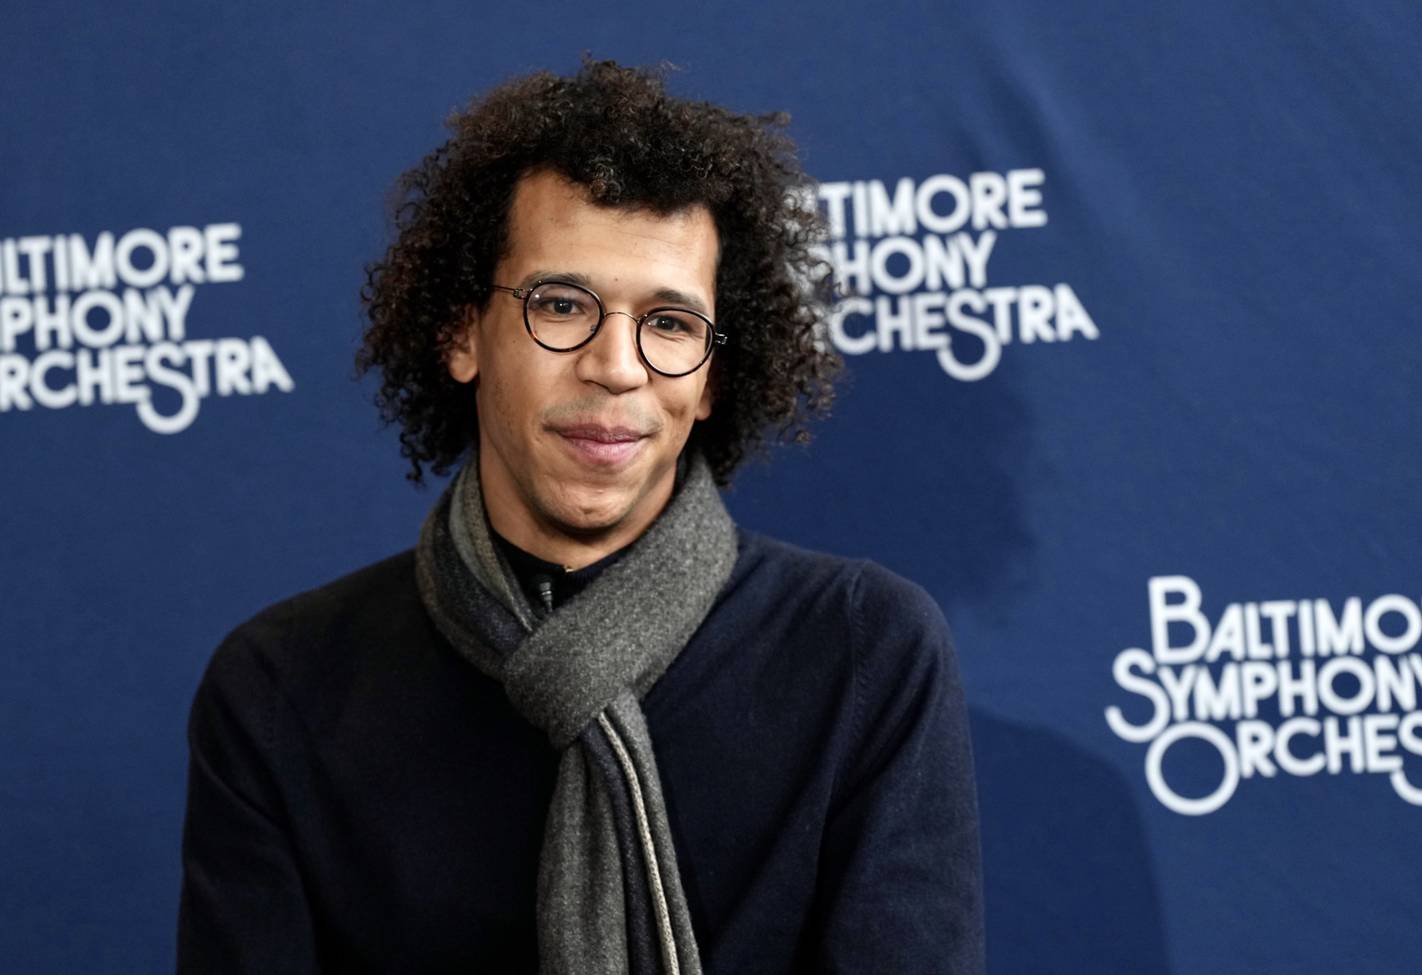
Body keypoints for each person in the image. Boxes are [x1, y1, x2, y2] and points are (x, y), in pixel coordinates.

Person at [177, 60, 983, 974]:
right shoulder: (282, 688)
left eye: (670, 323)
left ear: (712, 378)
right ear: (461, 333)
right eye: (562, 305)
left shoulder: (862, 652)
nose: (617, 366)